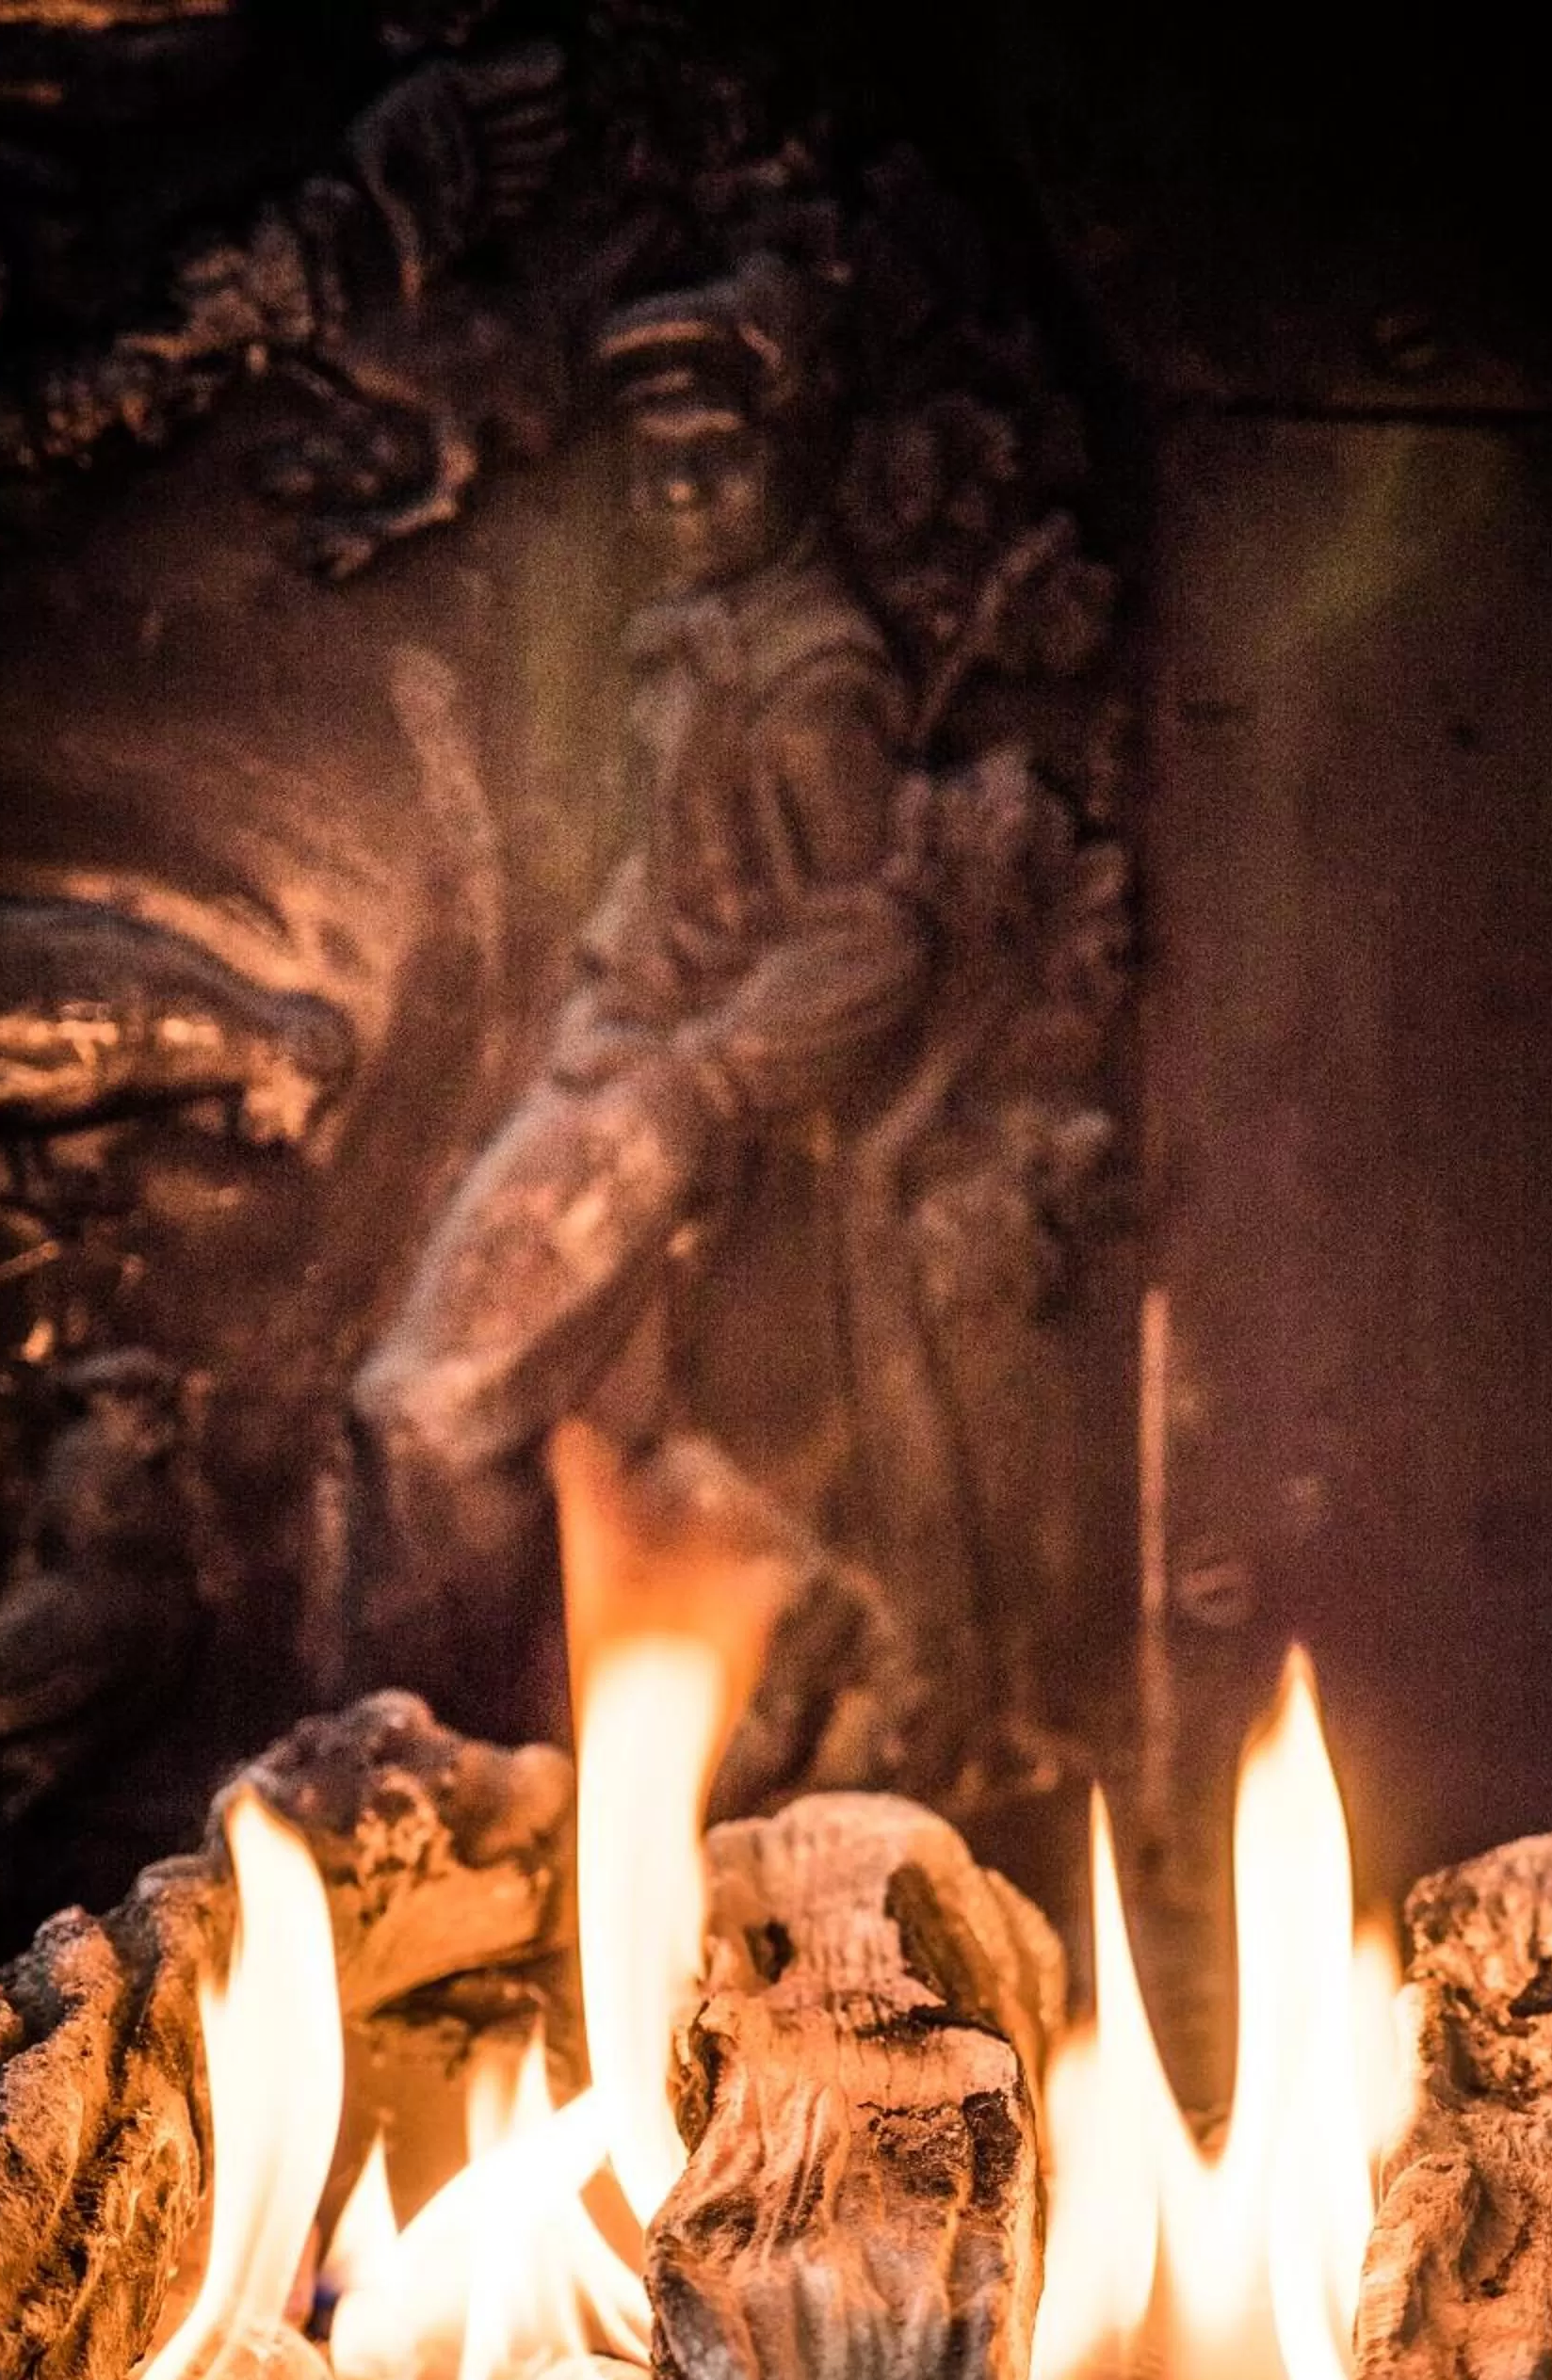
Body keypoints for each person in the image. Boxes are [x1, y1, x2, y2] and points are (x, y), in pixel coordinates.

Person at [351, 254, 930, 1692]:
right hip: (612, 1054)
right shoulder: (684, 644)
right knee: (545, 1422)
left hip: (668, 1094)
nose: (675, 503)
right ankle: (626, 1686)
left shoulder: (810, 681)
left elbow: (868, 939)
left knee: (430, 1407)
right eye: (653, 473)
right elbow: (676, 872)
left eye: (717, 468)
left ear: (794, 461)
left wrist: (701, 1078)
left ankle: (472, 1736)